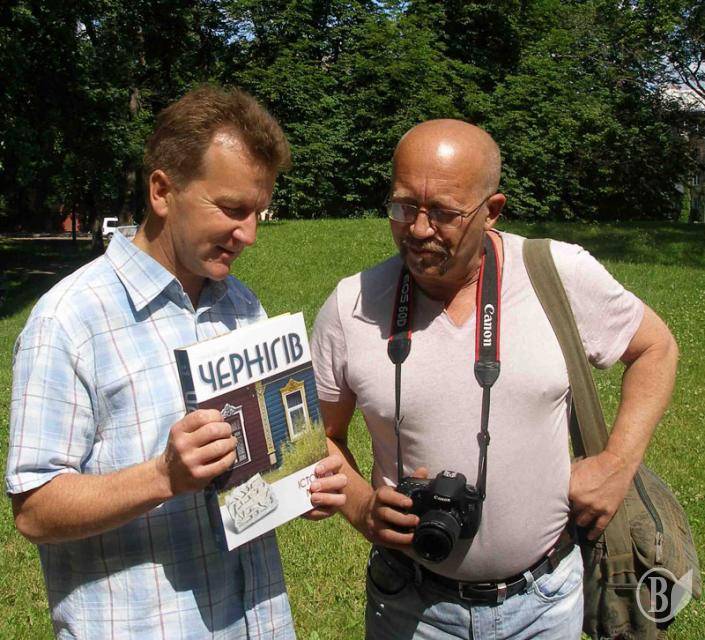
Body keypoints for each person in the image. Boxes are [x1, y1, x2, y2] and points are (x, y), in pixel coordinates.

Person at [310, 119, 678, 639]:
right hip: (409, 605)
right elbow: (321, 436)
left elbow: (656, 348)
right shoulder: (351, 305)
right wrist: (361, 506)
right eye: (404, 207)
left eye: (444, 213)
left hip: (546, 603)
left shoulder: (556, 274)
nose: (419, 229)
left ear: (492, 211)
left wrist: (617, 464)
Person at [6, 85, 346, 639]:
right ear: (163, 191)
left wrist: (301, 483)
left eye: (258, 212)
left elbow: (259, 467)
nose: (250, 235)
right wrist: (162, 477)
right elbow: (34, 509)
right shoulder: (69, 319)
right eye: (232, 209)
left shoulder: (241, 305)